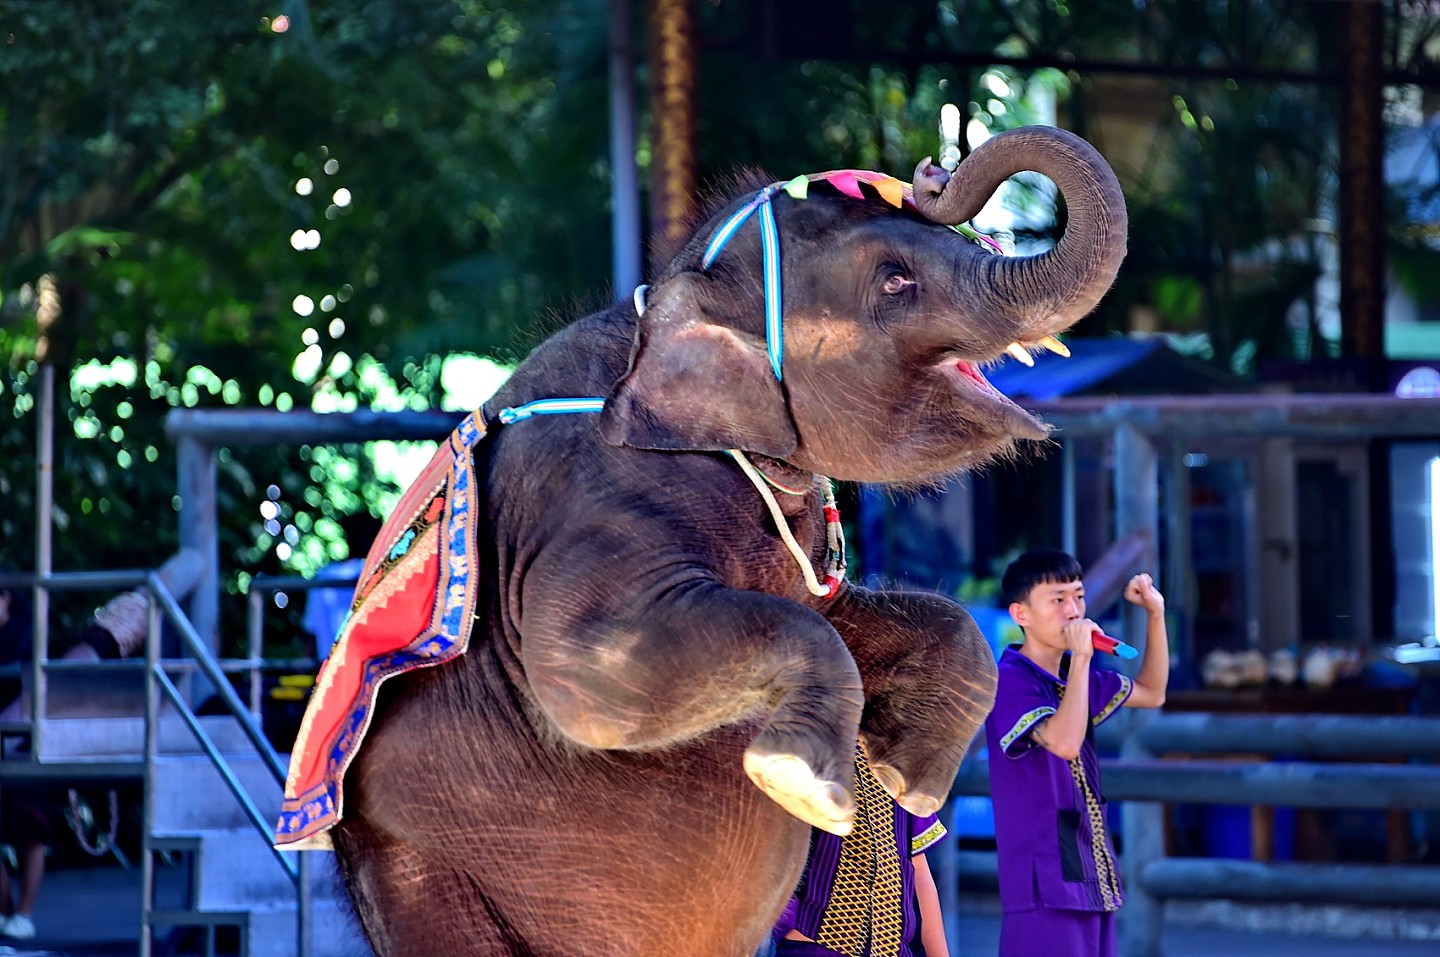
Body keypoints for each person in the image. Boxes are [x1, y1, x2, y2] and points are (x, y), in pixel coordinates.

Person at [984, 549, 1169, 957]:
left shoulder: (1072, 677)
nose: (1074, 610)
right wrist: (1083, 658)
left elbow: (1153, 691)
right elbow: (1065, 744)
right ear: (1021, 615)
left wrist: (1155, 615)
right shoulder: (1010, 679)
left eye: (1079, 596)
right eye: (1057, 599)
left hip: (1086, 864)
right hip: (1041, 875)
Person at [767, 743, 951, 957]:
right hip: (816, 945)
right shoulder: (805, 747)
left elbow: (920, 872)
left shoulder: (901, 761)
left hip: (892, 949)